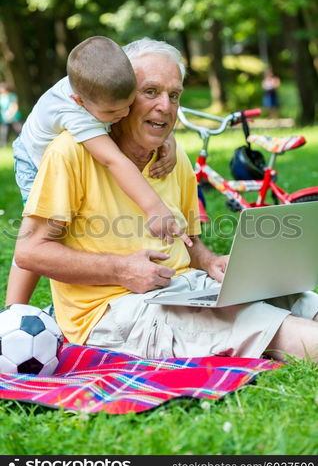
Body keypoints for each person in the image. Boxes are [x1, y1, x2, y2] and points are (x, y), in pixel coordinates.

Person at [13, 38, 318, 362]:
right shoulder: (70, 152)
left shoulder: (174, 158)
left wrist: (210, 261)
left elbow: (189, 243)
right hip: (114, 311)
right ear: (124, 97)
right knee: (269, 326)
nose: (166, 106)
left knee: (300, 301)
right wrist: (120, 270)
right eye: (151, 92)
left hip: (186, 289)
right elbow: (30, 252)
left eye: (174, 95)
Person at [6, 36, 191, 307]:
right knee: (42, 232)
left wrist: (168, 140)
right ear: (79, 101)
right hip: (33, 158)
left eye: (129, 105)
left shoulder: (103, 85)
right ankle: (13, 311)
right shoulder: (76, 115)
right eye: (114, 112)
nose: (124, 113)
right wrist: (154, 207)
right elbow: (113, 160)